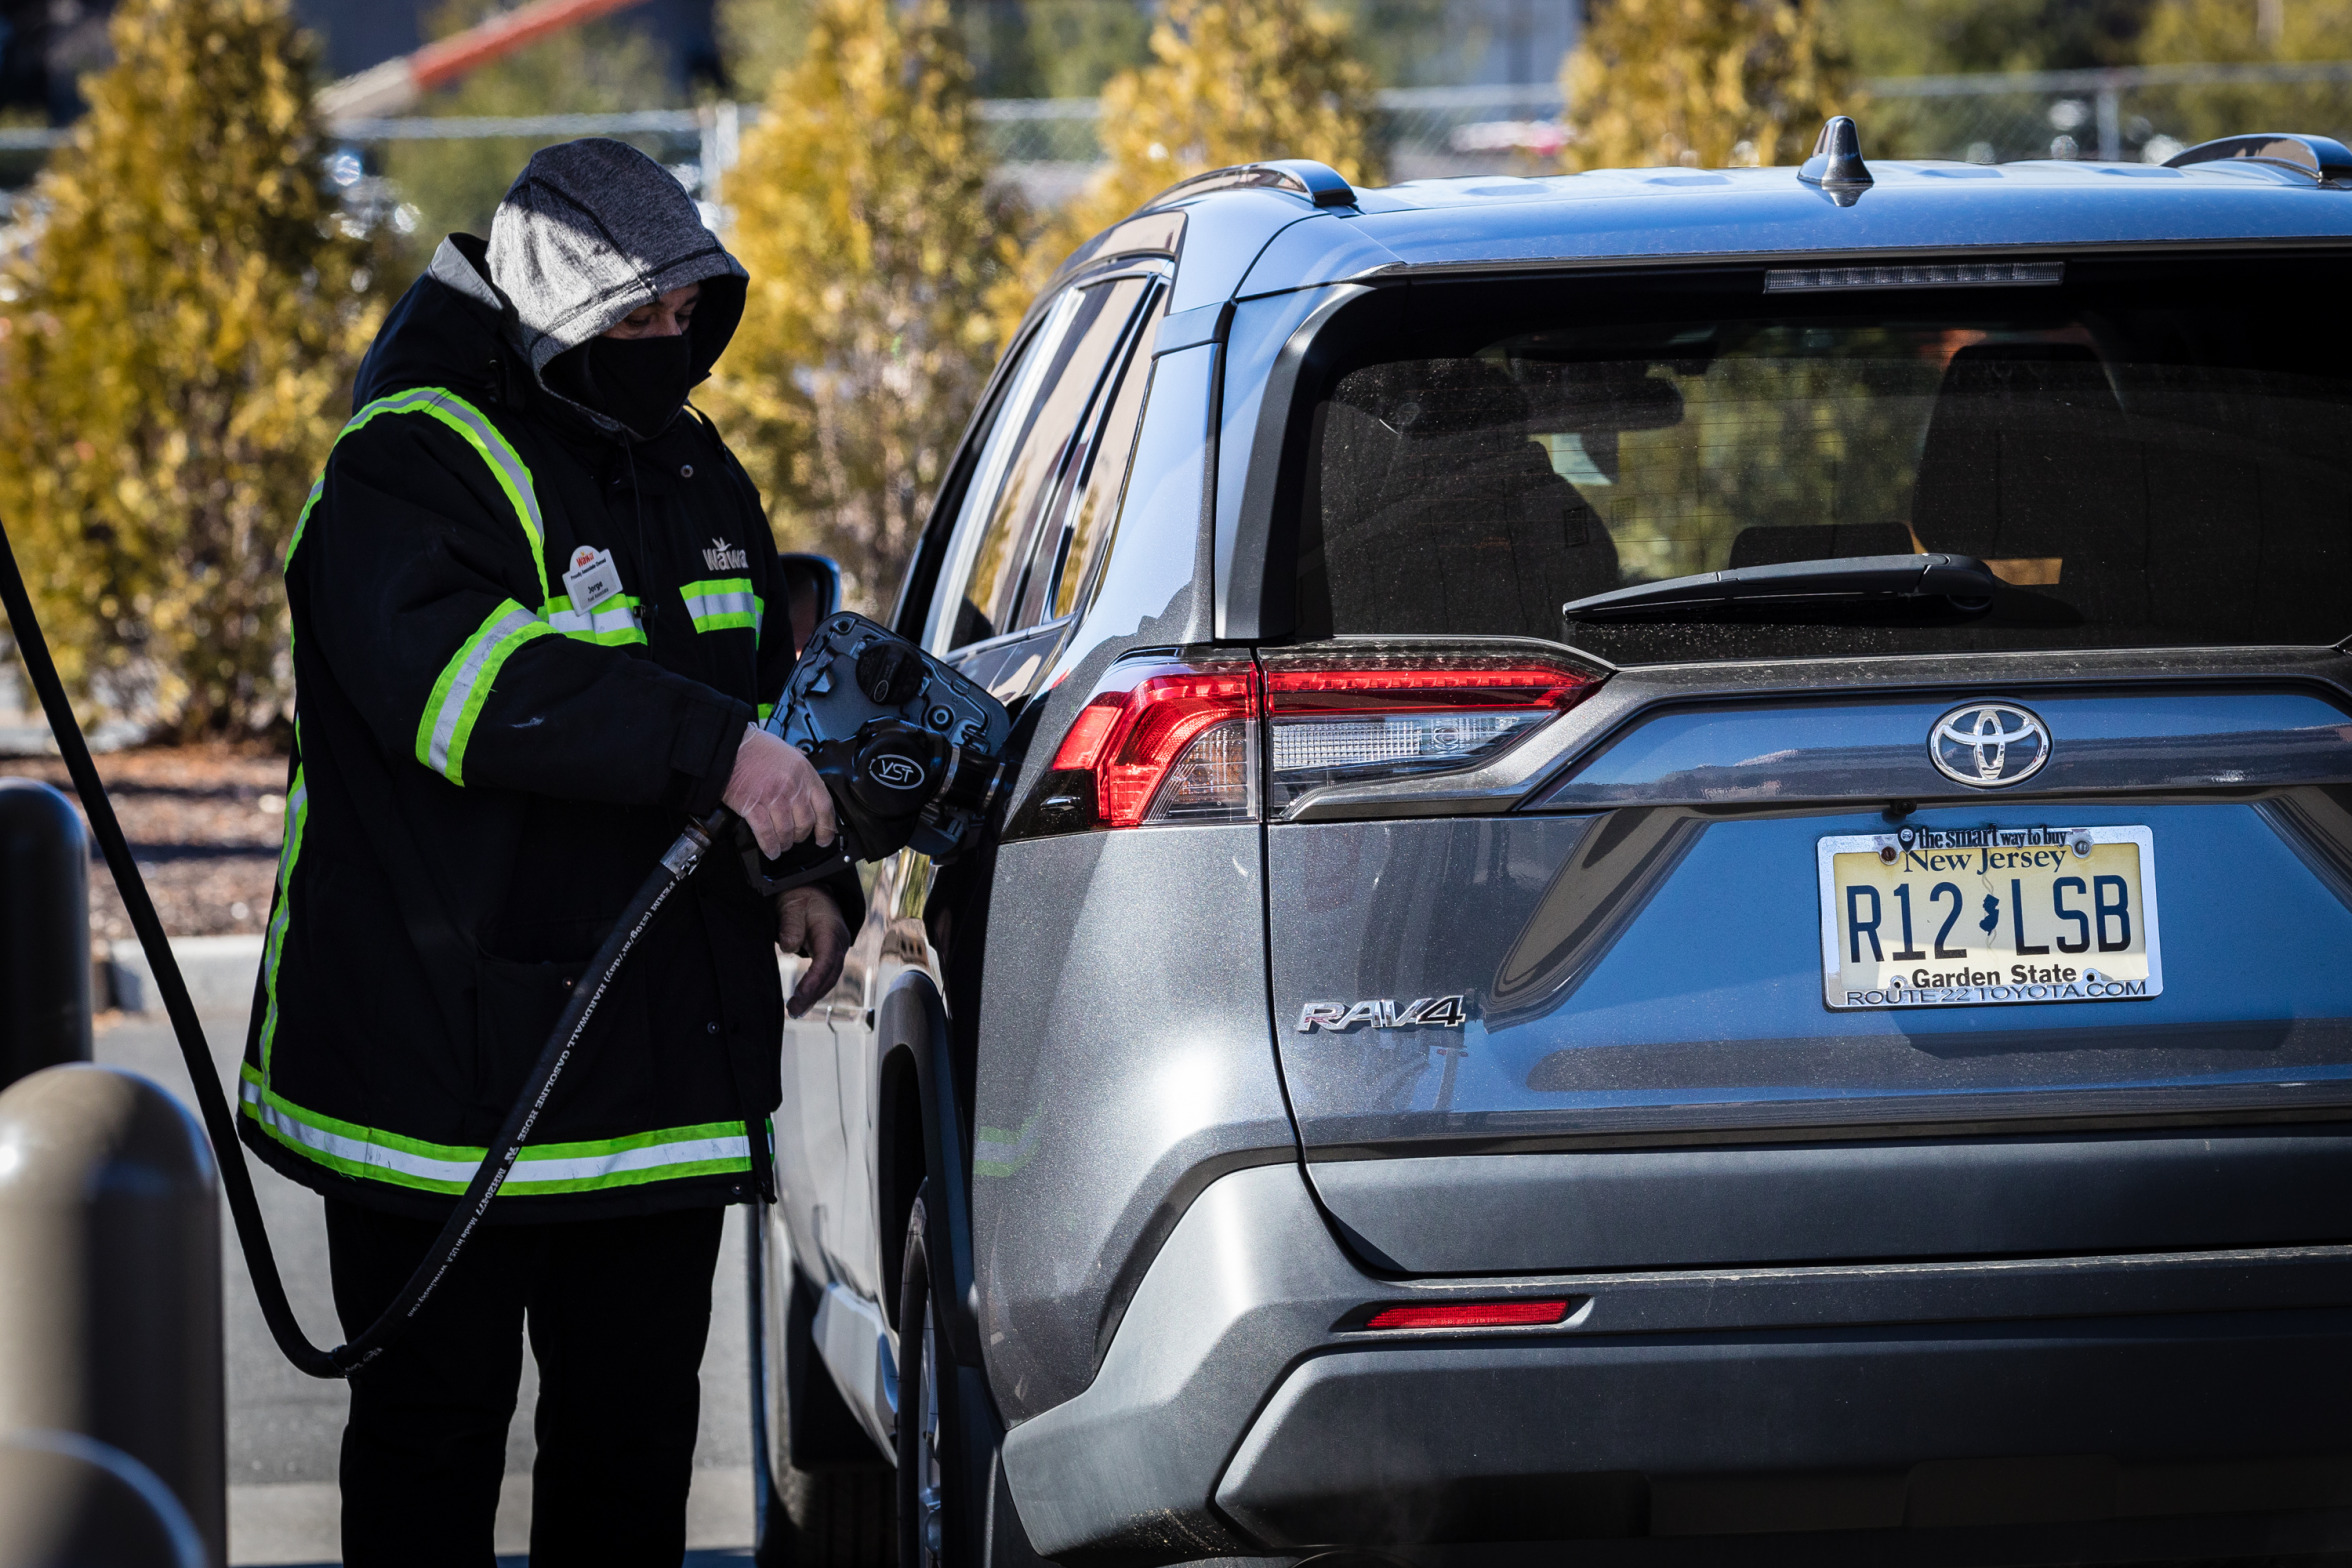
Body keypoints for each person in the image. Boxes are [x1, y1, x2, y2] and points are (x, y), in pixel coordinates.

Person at [237, 138, 856, 1565]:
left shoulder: (691, 465)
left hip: (652, 1082)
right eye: (634, 316)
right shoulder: (411, 464)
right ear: (545, 318)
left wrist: (800, 865)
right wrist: (716, 753)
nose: (668, 339)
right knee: (431, 1449)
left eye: (683, 310)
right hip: (449, 1085)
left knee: (630, 1453)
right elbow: (463, 689)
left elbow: (757, 685)